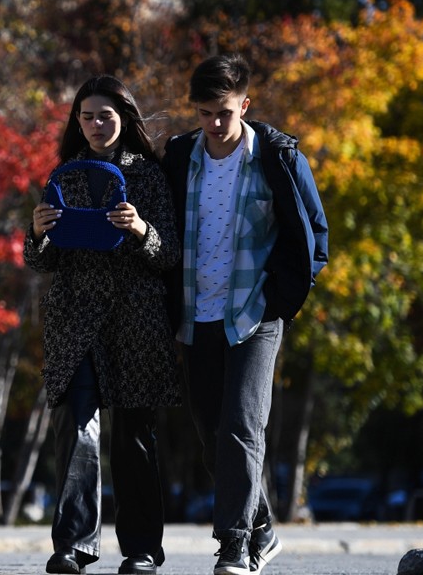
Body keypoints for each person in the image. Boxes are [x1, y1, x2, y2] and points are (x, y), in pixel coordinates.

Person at [161, 53, 329, 575]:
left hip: (254, 313)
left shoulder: (278, 157)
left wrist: (281, 301)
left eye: (225, 112)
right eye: (205, 112)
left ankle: (233, 544)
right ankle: (261, 526)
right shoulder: (179, 156)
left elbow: (315, 235)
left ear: (245, 106)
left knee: (241, 424)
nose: (214, 123)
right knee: (211, 434)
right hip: (195, 314)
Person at [24, 75, 181, 575]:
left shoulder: (149, 176)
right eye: (86, 116)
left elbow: (170, 255)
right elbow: (39, 262)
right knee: (77, 428)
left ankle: (141, 551)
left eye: (105, 115)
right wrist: (37, 234)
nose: (95, 125)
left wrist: (140, 229)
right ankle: (72, 545)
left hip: (136, 323)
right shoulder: (64, 174)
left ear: (125, 118)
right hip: (75, 321)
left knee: (134, 436)